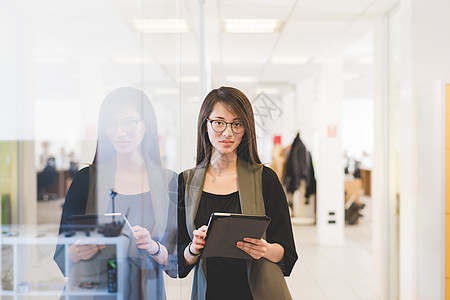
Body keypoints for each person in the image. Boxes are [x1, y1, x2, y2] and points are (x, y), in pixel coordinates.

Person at [54, 87, 177, 299]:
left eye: (129, 122)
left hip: (144, 291)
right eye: (112, 124)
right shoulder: (87, 179)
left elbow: (176, 262)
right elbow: (61, 254)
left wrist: (154, 247)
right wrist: (77, 250)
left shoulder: (169, 182)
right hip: (93, 291)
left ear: (146, 124)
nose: (120, 132)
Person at [178, 86, 298, 300]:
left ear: (246, 128)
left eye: (237, 124)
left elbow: (285, 250)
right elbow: (178, 258)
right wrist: (193, 248)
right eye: (219, 122)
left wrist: (264, 249)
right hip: (209, 291)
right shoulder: (186, 182)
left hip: (256, 292)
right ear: (205, 125)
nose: (227, 132)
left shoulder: (265, 179)